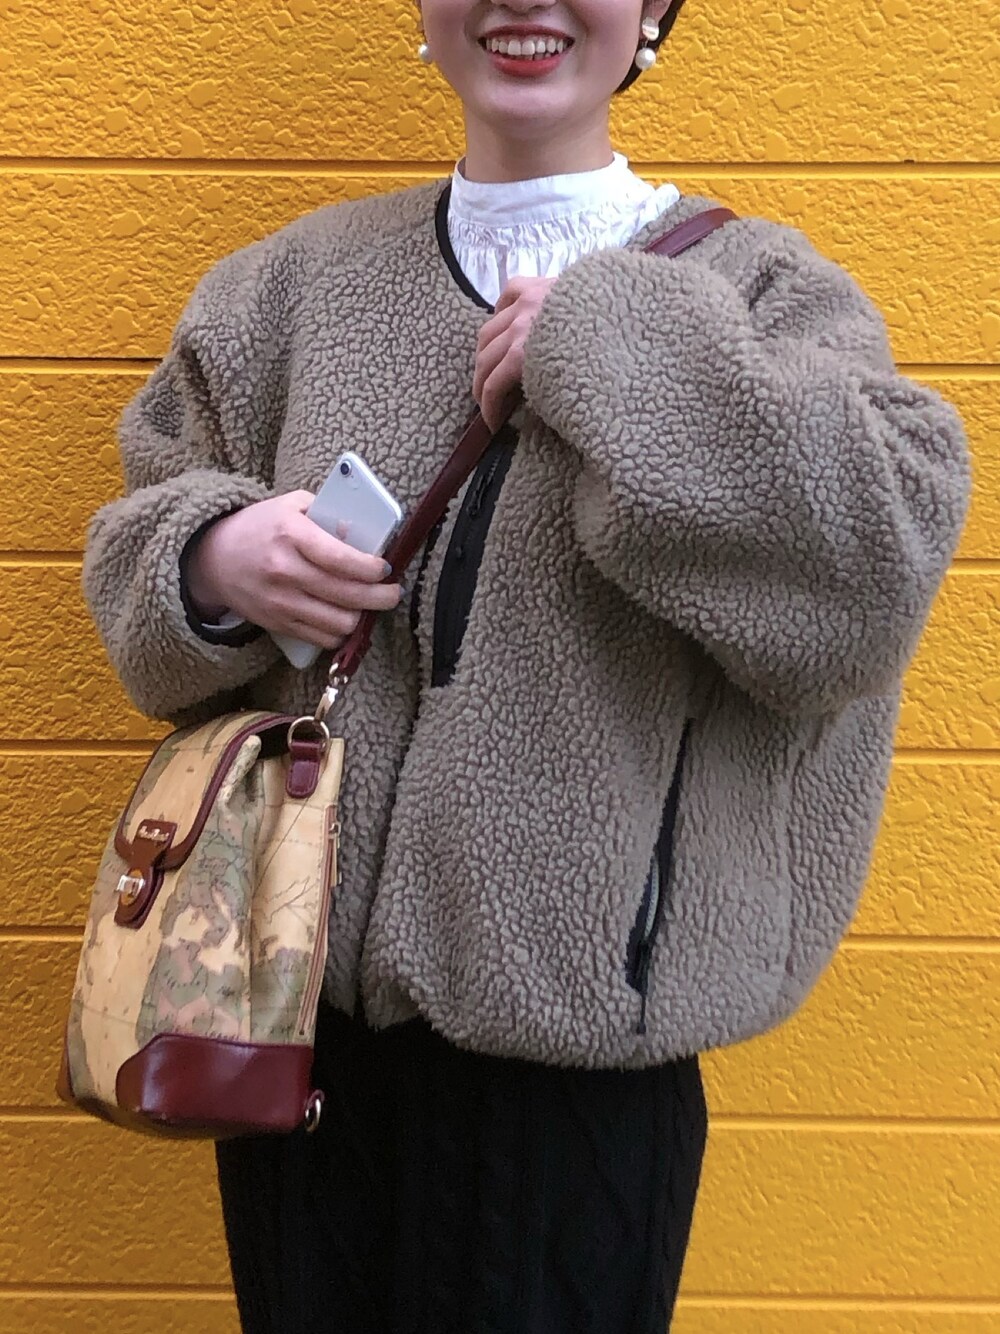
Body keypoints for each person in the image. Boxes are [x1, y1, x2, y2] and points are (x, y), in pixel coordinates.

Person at [81, 1, 971, 1330]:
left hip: (582, 1081)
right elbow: (138, 542)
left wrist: (609, 347)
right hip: (291, 1038)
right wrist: (211, 561)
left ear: (654, 9)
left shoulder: (768, 295)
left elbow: (867, 575)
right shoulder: (287, 290)